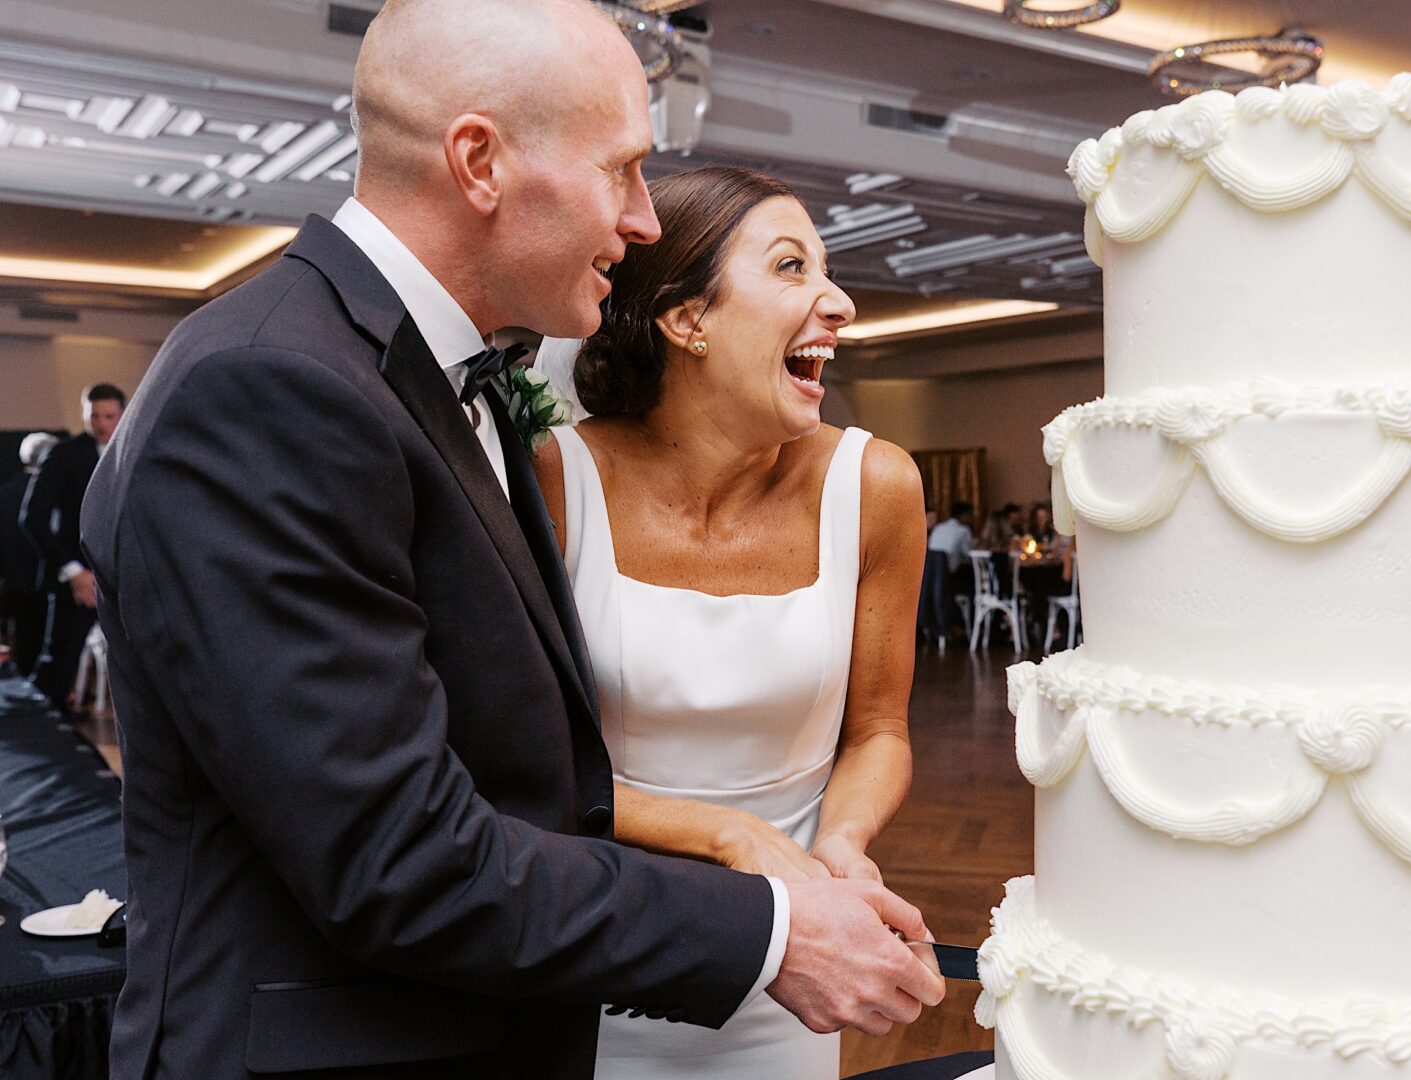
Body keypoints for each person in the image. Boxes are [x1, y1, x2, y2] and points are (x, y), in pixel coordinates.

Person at [79, 4, 941, 1079]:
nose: (638, 223)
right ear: (479, 162)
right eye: (621, 171)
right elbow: (398, 860)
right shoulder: (272, 389)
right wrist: (767, 931)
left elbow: (515, 766)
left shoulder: (447, 381)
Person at [535, 166, 931, 1079]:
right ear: (687, 320)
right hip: (604, 944)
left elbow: (878, 730)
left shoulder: (876, 488)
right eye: (792, 268)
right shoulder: (555, 480)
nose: (837, 302)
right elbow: (530, 760)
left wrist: (840, 844)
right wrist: (728, 836)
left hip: (798, 968)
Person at [20, 385, 123, 710]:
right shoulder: (65, 454)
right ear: (84, 414)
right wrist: (73, 572)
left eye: (109, 416)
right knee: (56, 669)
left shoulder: (134, 451)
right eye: (94, 416)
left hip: (122, 578)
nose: (101, 424)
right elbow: (32, 518)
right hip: (75, 578)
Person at [0, 432, 59, 674]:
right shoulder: (54, 492)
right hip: (49, 579)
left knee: (23, 643)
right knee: (51, 644)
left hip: (14, 581)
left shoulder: (4, 493)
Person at [928, 500, 976, 574]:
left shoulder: (938, 527)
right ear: (964, 515)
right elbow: (968, 555)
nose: (972, 519)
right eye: (970, 515)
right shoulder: (963, 530)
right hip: (951, 573)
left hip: (932, 572)